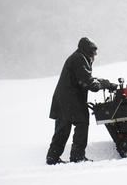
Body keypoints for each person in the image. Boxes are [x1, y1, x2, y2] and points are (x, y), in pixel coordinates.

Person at [45, 37, 117, 165]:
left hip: (64, 99)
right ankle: (77, 156)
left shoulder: (77, 57)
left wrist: (106, 83)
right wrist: (106, 84)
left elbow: (87, 79)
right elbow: (89, 83)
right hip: (70, 99)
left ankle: (52, 157)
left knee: (62, 128)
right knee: (82, 122)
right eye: (93, 53)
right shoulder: (80, 59)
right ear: (88, 51)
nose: (94, 56)